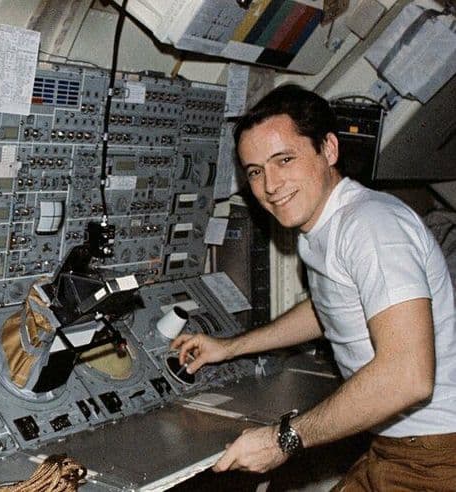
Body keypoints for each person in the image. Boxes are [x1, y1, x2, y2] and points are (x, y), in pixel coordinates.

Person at [173, 85, 456, 490]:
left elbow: (407, 377)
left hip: (435, 456)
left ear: (329, 149)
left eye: (284, 160)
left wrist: (283, 439)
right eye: (255, 171)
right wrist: (231, 347)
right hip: (400, 445)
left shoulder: (371, 226)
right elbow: (329, 306)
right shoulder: (323, 224)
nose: (271, 185)